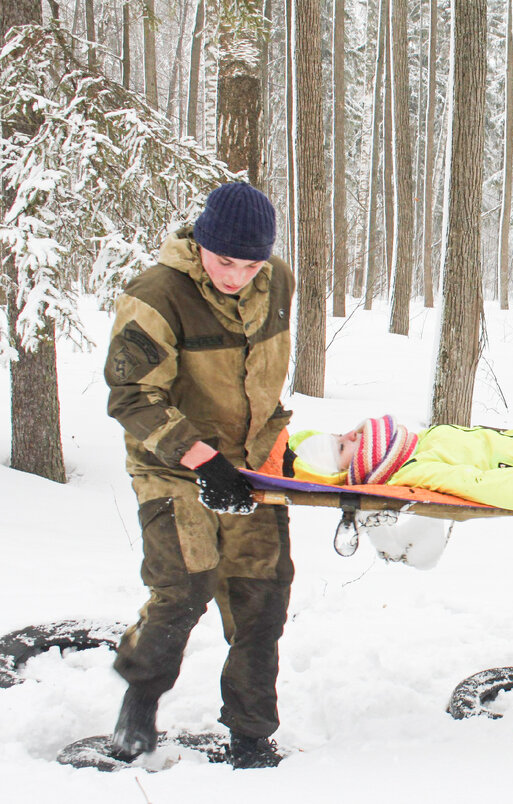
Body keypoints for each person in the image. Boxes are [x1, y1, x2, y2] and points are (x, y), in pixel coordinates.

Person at [104, 182, 296, 769]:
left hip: (252, 465)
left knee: (261, 600)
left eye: (250, 262)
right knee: (184, 587)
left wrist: (271, 447)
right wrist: (201, 458)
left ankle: (251, 731)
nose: (236, 275)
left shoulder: (278, 281)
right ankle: (140, 699)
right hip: (173, 465)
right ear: (200, 243)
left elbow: (264, 378)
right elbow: (131, 396)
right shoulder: (156, 294)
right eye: (224, 261)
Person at [285, 416, 513, 516]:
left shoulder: (417, 443)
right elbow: (501, 488)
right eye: (342, 446)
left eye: (340, 434)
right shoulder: (417, 469)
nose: (350, 434)